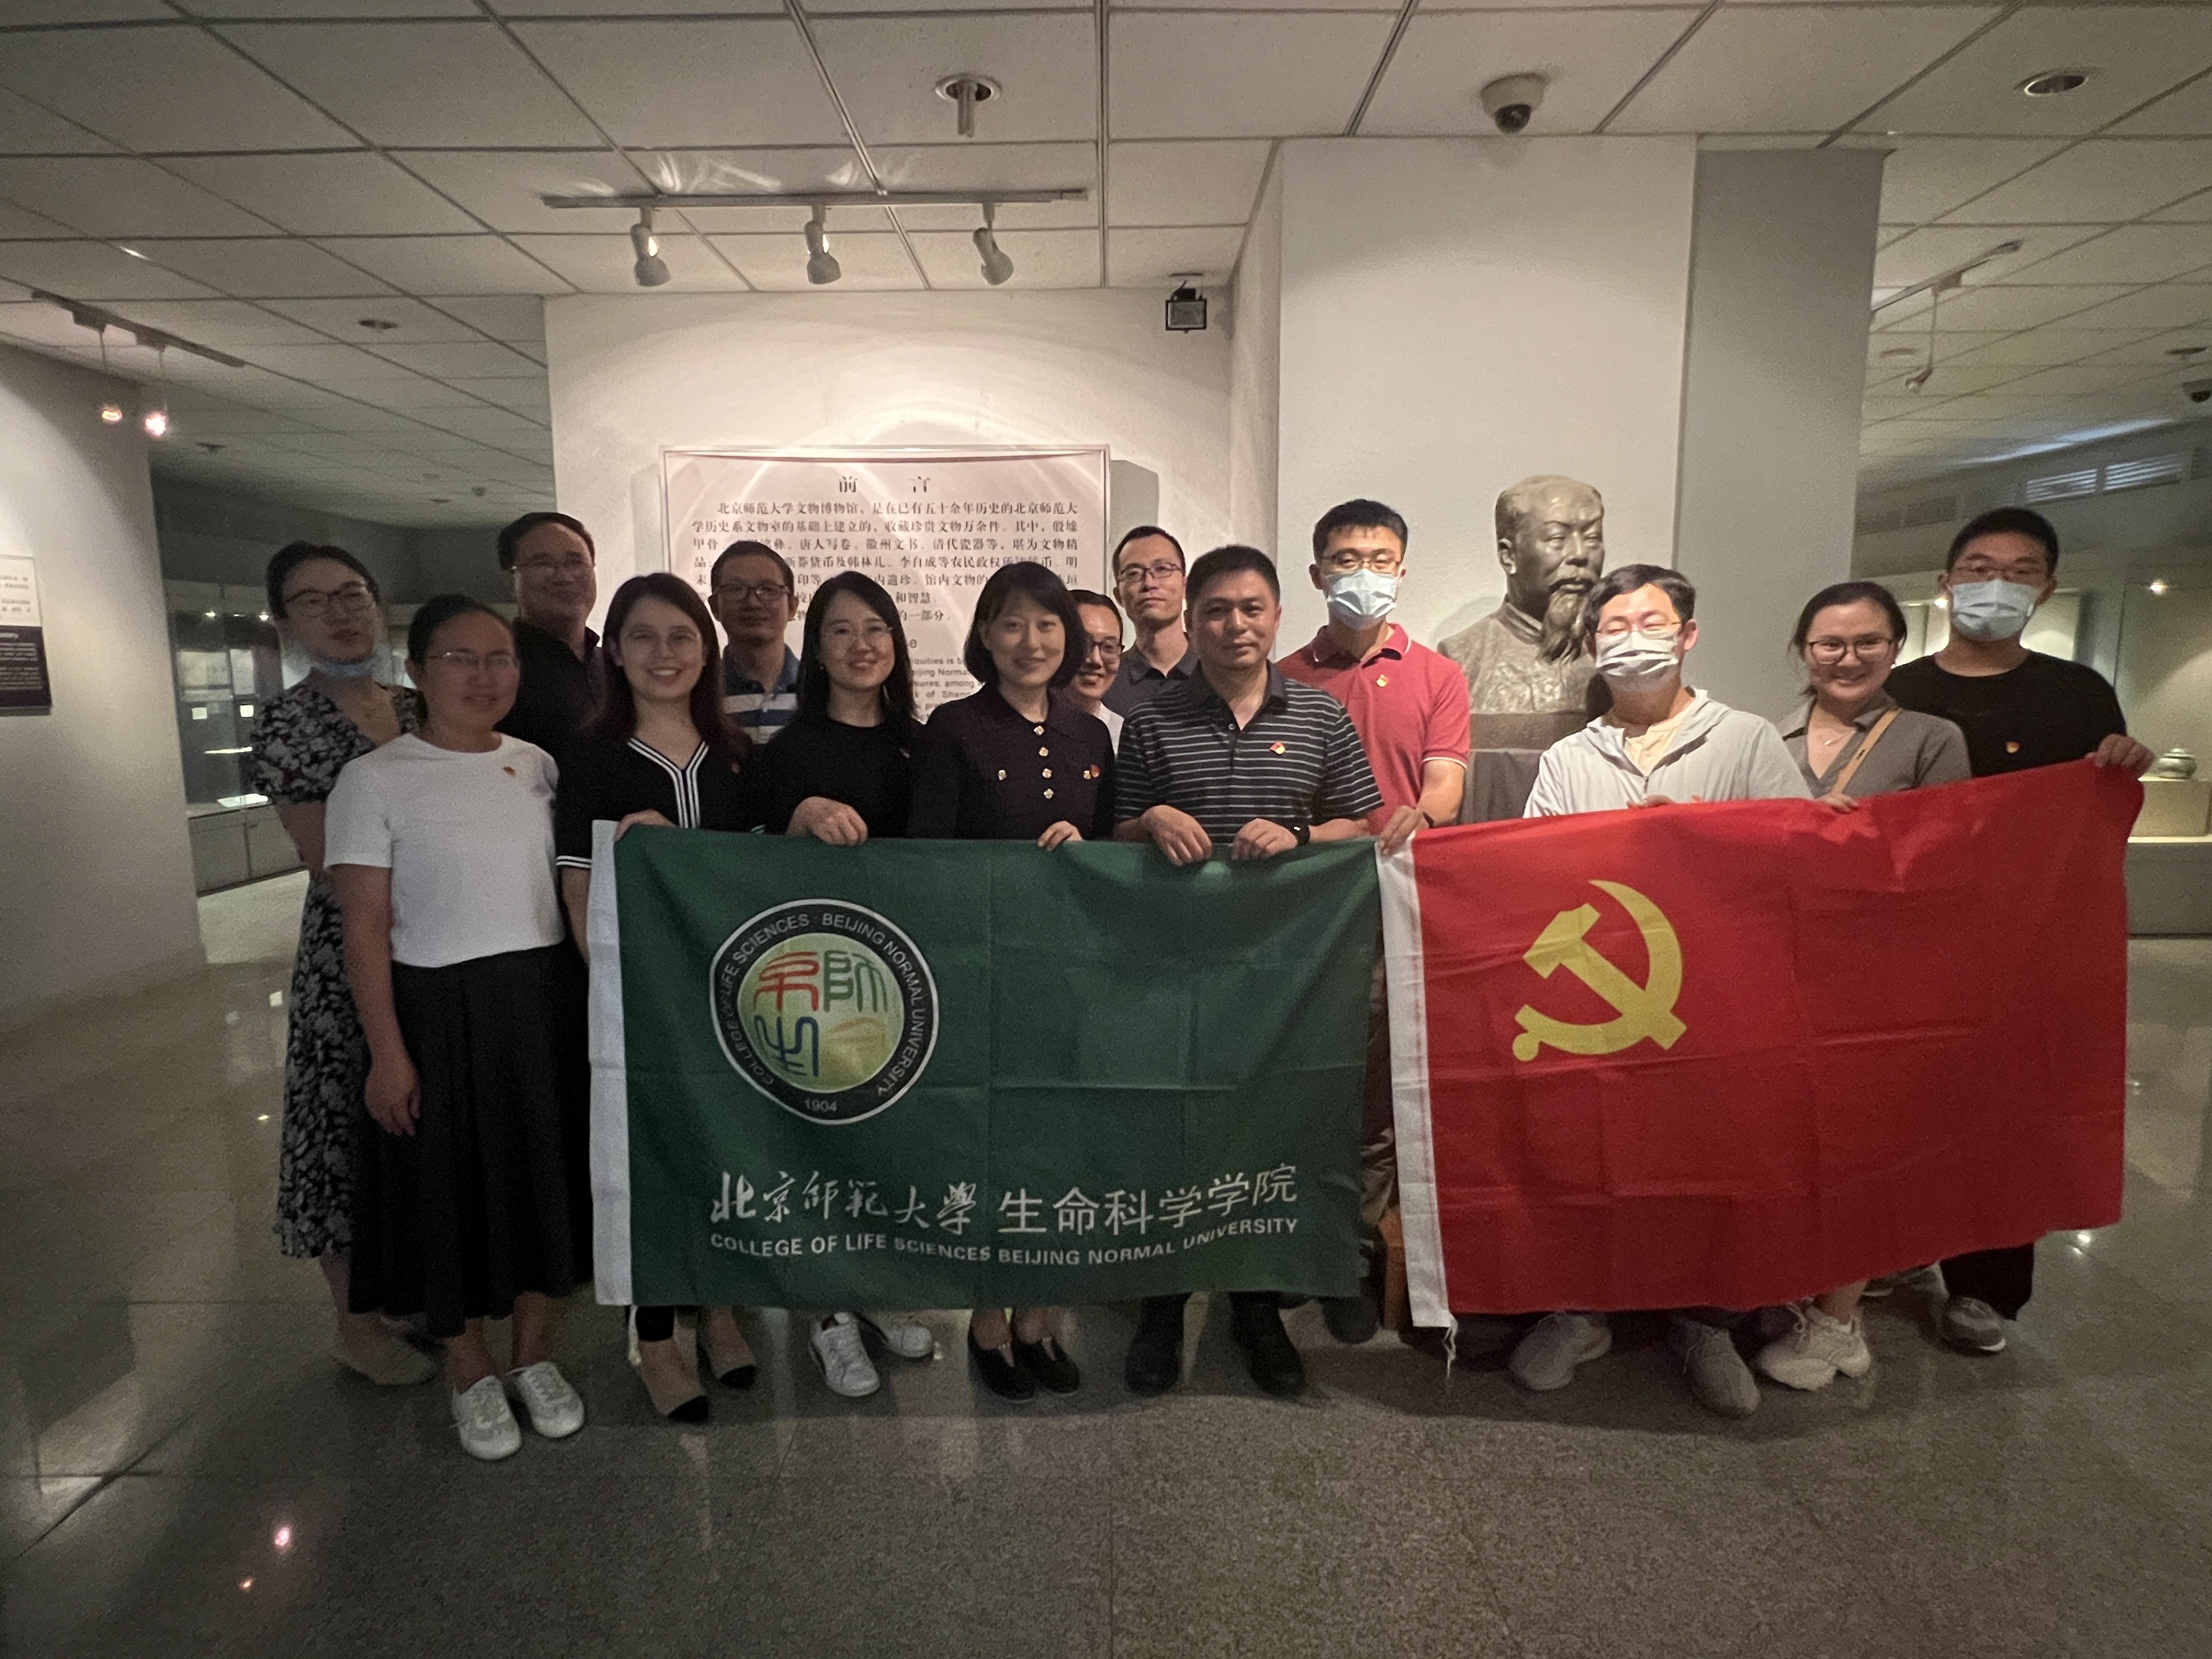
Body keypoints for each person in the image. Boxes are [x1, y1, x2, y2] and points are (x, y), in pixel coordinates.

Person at [1511, 563, 1809, 1419]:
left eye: (1652, 623)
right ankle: (1584, 1310)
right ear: (1592, 645)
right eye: (1614, 627)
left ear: (1688, 635)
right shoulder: (1570, 757)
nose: (1632, 640)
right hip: (1598, 1005)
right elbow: (1529, 872)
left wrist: (1699, 840)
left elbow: (1796, 857)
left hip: (1716, 997)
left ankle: (1707, 1322)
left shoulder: (1746, 740)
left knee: (1708, 1158)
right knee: (1591, 1152)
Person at [327, 595, 592, 1462]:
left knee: (543, 1182)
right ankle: (470, 1367)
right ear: (416, 671)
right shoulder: (375, 780)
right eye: (461, 659)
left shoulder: (539, 765)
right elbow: (364, 928)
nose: (485, 676)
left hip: (541, 1001)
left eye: (500, 658)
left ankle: (534, 1356)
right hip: (435, 1009)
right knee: (448, 1192)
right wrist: (388, 1053)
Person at [1115, 544, 1384, 1398]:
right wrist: (1153, 818)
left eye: (1252, 608)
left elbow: (1360, 824)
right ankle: (1163, 1304)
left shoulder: (1320, 717)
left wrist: (1301, 835)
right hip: (1174, 969)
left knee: (1266, 1134)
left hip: (1283, 975)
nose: (1236, 625)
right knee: (1172, 1134)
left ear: (1277, 616)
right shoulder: (1151, 722)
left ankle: (1256, 1307)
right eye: (1217, 610)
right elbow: (1115, 831)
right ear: (1192, 621)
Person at [1884, 506, 2154, 1356]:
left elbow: (2090, 822)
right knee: (1901, 1099)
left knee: (2008, 1108)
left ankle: (1986, 1286)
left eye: (2018, 570)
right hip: (1916, 941)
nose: (1994, 584)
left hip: (2027, 944)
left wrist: (2120, 768)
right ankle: (1895, 1246)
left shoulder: (2077, 694)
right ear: (1947, 583)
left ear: (2046, 586)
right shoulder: (1900, 693)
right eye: (1978, 568)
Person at [1752, 580, 1971, 1392]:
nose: (1847, 659)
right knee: (1790, 1141)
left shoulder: (1930, 738)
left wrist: (1858, 839)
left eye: (1867, 642)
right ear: (1804, 651)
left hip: (1880, 975)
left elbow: (1948, 856)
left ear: (1896, 648)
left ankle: (1839, 1322)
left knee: (1863, 1145)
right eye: (1829, 644)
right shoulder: (1767, 735)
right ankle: (1794, 1293)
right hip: (1779, 968)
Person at [910, 562, 1114, 1403]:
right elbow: (926, 860)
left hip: (1070, 978)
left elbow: (1116, 858)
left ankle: (1040, 1316)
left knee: (1060, 1144)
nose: (1032, 641)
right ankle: (989, 1320)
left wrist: (1088, 852)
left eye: (1048, 624)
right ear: (986, 636)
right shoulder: (954, 727)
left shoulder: (1091, 734)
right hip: (983, 974)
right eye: (1012, 624)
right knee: (992, 1147)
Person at [554, 573, 754, 1424]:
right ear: (615, 652)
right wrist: (618, 987)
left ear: (706, 651)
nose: (663, 654)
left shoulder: (738, 756)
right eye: (642, 636)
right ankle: (658, 1339)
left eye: (681, 637)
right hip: (640, 1006)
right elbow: (577, 889)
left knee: (724, 1153)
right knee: (652, 1169)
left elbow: (758, 881)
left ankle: (720, 1310)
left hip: (733, 1004)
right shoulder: (591, 758)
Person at [735, 571, 938, 1398]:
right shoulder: (787, 753)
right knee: (821, 1139)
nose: (862, 646)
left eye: (877, 629)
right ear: (816, 649)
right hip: (819, 984)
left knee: (893, 1143)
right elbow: (738, 863)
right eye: (842, 631)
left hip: (910, 983)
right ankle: (825, 1314)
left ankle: (876, 1289)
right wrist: (795, 822)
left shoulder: (926, 745)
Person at [1278, 499, 1470, 1345]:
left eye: (1381, 559)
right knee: (1299, 1079)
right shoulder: (1283, 675)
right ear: (1317, 572)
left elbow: (1445, 783)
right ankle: (1292, 1245)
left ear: (1402, 569)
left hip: (1395, 903)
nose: (1365, 573)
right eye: (1346, 559)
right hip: (1300, 911)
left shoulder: (1437, 675)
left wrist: (1421, 816)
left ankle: (1353, 1255)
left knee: (1374, 1095)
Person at [248, 542, 433, 1390]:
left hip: (435, 936)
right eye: (314, 600)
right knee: (342, 1121)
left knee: (414, 1115)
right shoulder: (288, 723)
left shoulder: (415, 705)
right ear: (285, 622)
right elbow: (328, 857)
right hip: (349, 947)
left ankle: (397, 1293)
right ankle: (354, 1326)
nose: (341, 612)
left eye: (352, 593)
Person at [1436, 476, 1609, 751]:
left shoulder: (1619, 656)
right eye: (1557, 539)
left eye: (1592, 538)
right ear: (1509, 556)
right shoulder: (1462, 658)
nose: (1580, 554)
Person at [495, 511, 601, 761]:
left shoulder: (615, 666)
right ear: (510, 581)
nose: (564, 577)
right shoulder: (494, 671)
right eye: (542, 564)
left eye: (576, 562)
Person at [709, 539, 802, 744]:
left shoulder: (820, 690)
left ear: (792, 606)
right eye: (736, 589)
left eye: (768, 590)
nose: (752, 602)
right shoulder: (701, 694)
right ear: (715, 606)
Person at [1102, 526, 1197, 716]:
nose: (1149, 583)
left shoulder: (1218, 672)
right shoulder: (1105, 681)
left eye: (1162, 569)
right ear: (1118, 595)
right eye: (1133, 574)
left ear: (1185, 586)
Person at [1060, 588, 1127, 746]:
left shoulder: (1123, 735)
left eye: (1109, 647)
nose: (1095, 660)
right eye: (1083, 644)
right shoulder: (1021, 727)